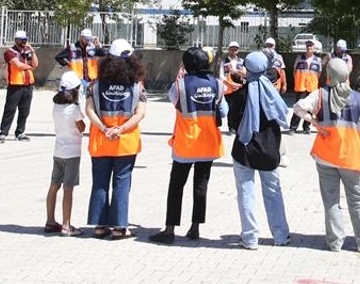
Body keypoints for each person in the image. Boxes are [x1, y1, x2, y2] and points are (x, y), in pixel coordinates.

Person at [291, 58, 360, 252]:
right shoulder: (359, 99)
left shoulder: (320, 95)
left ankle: (335, 242)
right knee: (358, 200)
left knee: (331, 199)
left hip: (326, 154)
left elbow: (297, 108)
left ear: (329, 75)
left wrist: (314, 122)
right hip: (352, 156)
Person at [151, 48, 226, 244]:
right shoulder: (218, 85)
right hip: (208, 143)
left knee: (176, 186)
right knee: (201, 186)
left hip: (185, 144)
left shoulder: (180, 86)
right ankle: (195, 228)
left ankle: (169, 230)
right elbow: (223, 111)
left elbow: (173, 100)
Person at [227, 51, 291, 250]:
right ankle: (280, 235)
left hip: (244, 149)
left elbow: (232, 123)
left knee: (246, 193)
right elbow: (274, 73)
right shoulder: (272, 93)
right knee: (274, 192)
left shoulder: (241, 94)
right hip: (270, 150)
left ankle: (250, 238)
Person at [86, 39, 146, 239]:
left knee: (100, 182)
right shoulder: (137, 86)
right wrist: (120, 128)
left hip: (101, 140)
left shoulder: (95, 85)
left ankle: (100, 226)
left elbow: (89, 110)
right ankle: (120, 227)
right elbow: (140, 114)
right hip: (126, 142)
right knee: (122, 183)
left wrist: (105, 128)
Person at [45, 71, 86, 236]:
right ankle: (66, 225)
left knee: (54, 185)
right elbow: (82, 128)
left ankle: (50, 220)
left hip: (58, 151)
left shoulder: (56, 106)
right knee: (68, 188)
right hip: (72, 153)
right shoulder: (74, 109)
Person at [0, 30, 37, 142]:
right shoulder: (10, 52)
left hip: (28, 84)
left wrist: (33, 51)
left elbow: (35, 64)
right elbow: (18, 65)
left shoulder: (28, 51)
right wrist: (30, 67)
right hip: (15, 85)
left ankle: (20, 132)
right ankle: (3, 132)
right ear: (16, 40)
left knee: (25, 110)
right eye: (21, 40)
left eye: (25, 39)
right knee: (10, 109)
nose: (24, 42)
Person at [289, 40, 322, 134]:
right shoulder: (299, 58)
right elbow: (295, 71)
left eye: (311, 46)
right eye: (307, 46)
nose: (309, 48)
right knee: (298, 106)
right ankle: (293, 127)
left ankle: (306, 127)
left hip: (312, 87)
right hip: (301, 86)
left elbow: (318, 73)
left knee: (310, 108)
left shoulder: (318, 60)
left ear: (314, 48)